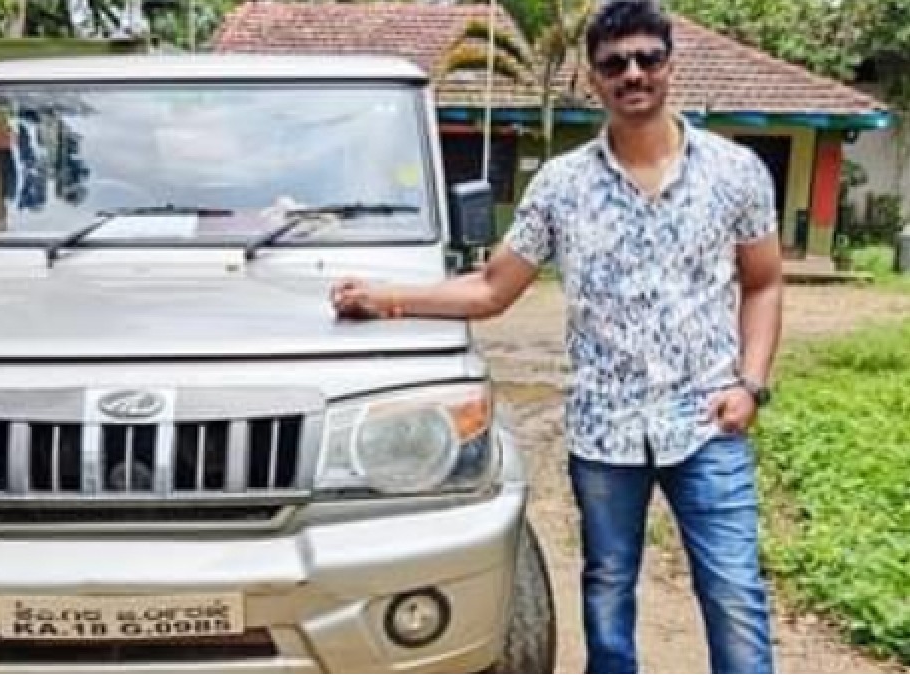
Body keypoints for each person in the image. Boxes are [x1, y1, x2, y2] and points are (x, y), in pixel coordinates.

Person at [329, 1, 783, 672]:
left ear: (670, 65)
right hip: (605, 431)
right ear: (593, 78)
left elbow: (764, 282)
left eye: (647, 58)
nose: (633, 73)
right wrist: (384, 298)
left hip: (708, 421)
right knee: (607, 590)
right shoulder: (561, 186)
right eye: (614, 63)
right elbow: (492, 288)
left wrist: (751, 385)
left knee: (735, 594)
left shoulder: (735, 172)